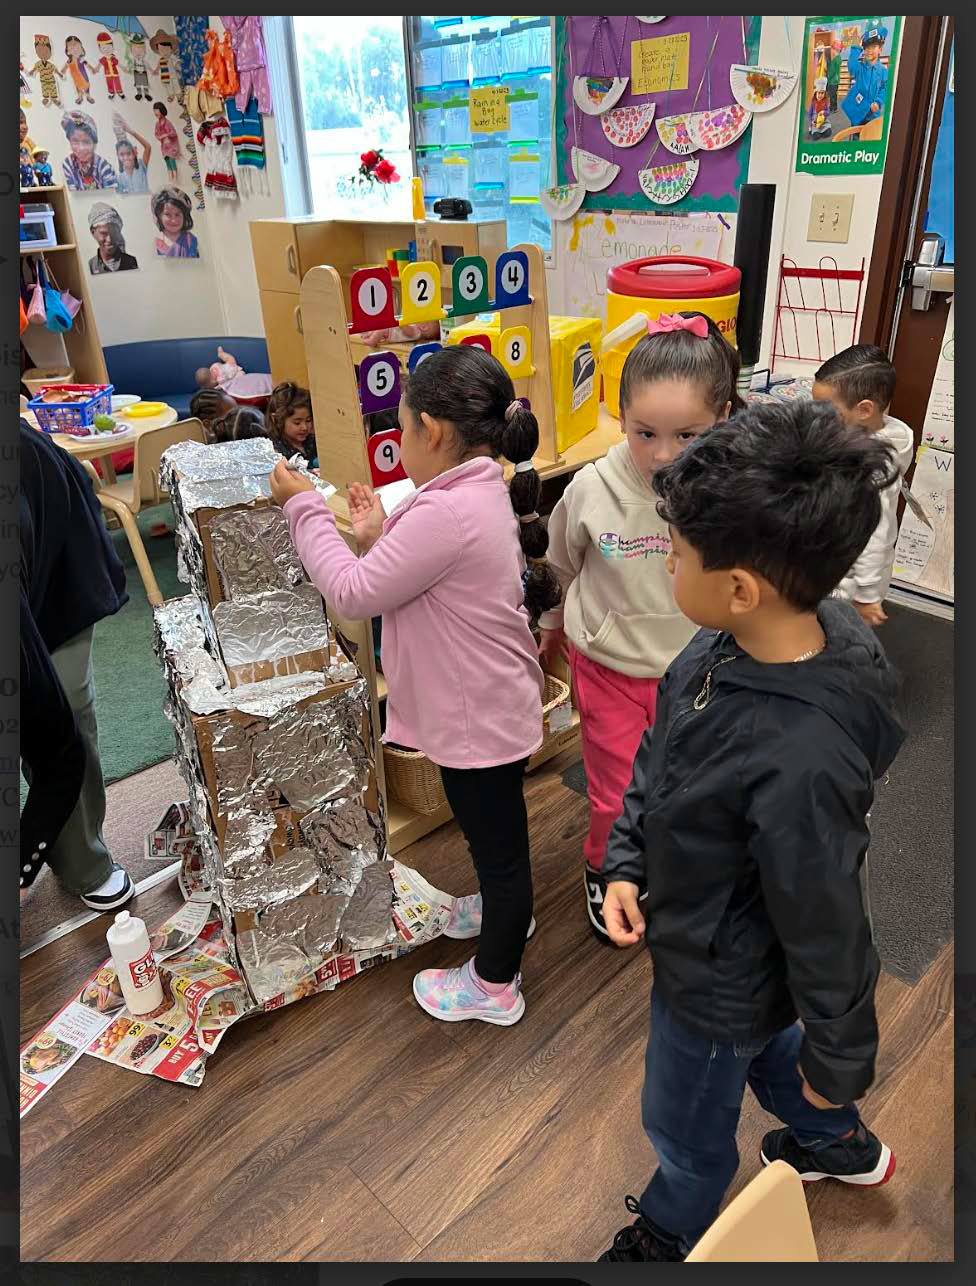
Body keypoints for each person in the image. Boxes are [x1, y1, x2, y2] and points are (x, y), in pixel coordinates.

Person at [597, 400, 904, 1263]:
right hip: (725, 939)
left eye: (677, 554)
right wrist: (625, 859)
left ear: (739, 585)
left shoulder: (803, 759)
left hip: (714, 977)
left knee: (686, 1121)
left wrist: (843, 1059)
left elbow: (829, 921)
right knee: (774, 1049)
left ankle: (668, 1229)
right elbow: (662, 753)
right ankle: (835, 1141)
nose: (667, 565)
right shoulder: (721, 644)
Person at [269, 345, 560, 1025]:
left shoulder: (446, 512)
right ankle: (499, 911)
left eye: (400, 428)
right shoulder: (474, 488)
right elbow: (418, 569)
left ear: (431, 431)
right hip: (491, 708)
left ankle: (495, 983)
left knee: (500, 846)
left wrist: (307, 508)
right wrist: (375, 532)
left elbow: (352, 591)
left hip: (477, 720)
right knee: (496, 837)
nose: (398, 441)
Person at [539, 312, 743, 940]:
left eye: (689, 435)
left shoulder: (732, 491)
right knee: (616, 790)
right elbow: (558, 565)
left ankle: (680, 868)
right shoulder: (593, 488)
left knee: (694, 787)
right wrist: (551, 628)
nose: (663, 455)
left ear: (726, 420)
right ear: (620, 416)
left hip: (701, 675)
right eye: (644, 432)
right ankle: (608, 868)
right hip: (612, 669)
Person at [20, 422, 134, 912]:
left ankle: (85, 861)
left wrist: (21, 864)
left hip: (59, 553)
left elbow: (58, 754)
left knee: (63, 706)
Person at [813, 344, 914, 627]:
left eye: (825, 411)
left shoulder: (873, 469)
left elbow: (875, 534)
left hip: (851, 585)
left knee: (838, 643)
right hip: (839, 569)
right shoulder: (873, 430)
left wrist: (867, 596)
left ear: (864, 410)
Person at [842, 24, 888, 129]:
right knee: (855, 138)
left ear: (880, 49)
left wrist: (878, 102)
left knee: (871, 138)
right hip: (858, 111)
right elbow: (851, 64)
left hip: (873, 114)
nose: (869, 50)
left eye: (873, 47)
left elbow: (884, 89)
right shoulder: (859, 68)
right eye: (866, 47)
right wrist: (856, 47)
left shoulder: (884, 71)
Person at [194, 346, 273, 406]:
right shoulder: (214, 366)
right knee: (231, 361)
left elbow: (222, 385)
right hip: (232, 369)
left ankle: (222, 355)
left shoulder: (219, 380)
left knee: (237, 372)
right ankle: (222, 354)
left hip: (233, 372)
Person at [61, 109, 117, 191]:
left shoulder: (104, 166)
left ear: (94, 144)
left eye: (86, 142)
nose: (81, 148)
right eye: (75, 141)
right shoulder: (68, 163)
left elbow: (112, 195)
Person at [266, 381, 316, 462]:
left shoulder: (313, 440)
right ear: (276, 419)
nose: (305, 427)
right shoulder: (276, 450)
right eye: (297, 423)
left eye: (308, 420)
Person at [87, 203, 138, 274]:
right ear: (93, 232)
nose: (109, 239)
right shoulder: (91, 266)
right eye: (103, 233)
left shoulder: (131, 262)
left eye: (113, 233)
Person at [151, 186, 198, 258]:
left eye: (177, 214)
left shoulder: (191, 240)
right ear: (159, 216)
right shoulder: (156, 243)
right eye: (167, 214)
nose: (174, 220)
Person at [113, 114, 152, 194]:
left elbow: (148, 147)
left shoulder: (141, 166)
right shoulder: (119, 178)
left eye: (128, 153)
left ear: (134, 154)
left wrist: (131, 132)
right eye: (122, 154)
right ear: (118, 156)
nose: (126, 157)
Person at [61, 34, 95, 105]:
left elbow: (87, 64)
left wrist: (92, 69)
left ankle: (88, 96)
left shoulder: (81, 59)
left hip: (83, 76)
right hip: (75, 78)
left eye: (75, 45)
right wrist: (62, 71)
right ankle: (80, 97)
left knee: (86, 86)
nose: (74, 48)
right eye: (71, 47)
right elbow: (65, 67)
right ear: (68, 51)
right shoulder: (69, 60)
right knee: (77, 86)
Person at [153, 101, 181, 177]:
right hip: (164, 147)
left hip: (171, 147)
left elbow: (173, 133)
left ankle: (175, 179)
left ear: (161, 111)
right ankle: (170, 179)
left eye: (157, 111)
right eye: (154, 111)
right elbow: (156, 134)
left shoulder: (168, 123)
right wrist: (159, 137)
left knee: (172, 162)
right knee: (167, 163)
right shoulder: (157, 124)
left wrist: (166, 134)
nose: (155, 113)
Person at [808, 76, 832, 140]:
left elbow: (828, 112)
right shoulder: (813, 103)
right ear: (815, 93)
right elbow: (810, 114)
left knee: (828, 133)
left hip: (824, 122)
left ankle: (823, 131)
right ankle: (815, 131)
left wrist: (824, 112)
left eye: (822, 93)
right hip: (815, 123)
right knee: (816, 136)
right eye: (819, 93)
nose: (820, 95)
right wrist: (811, 122)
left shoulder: (825, 102)